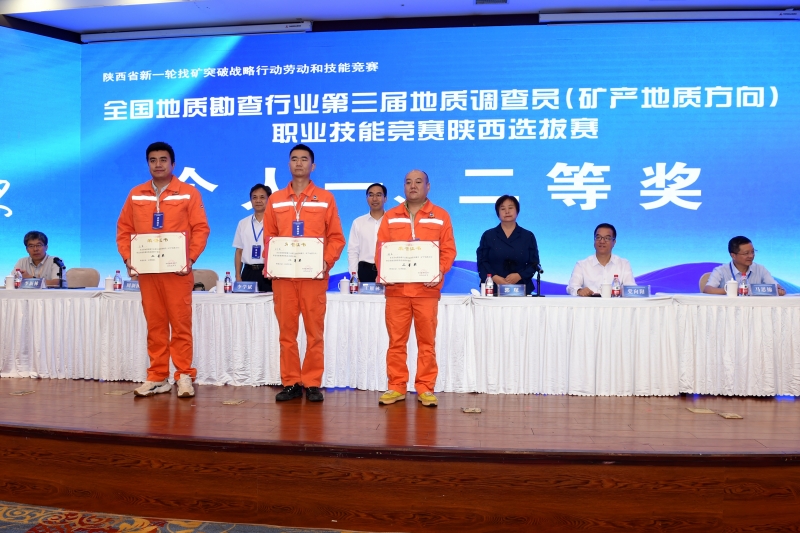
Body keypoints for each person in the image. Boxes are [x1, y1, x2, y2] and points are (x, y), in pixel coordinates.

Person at [116, 142, 210, 398]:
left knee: (180, 325)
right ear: (148, 164)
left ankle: (184, 375)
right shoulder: (136, 194)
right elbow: (124, 230)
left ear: (173, 164)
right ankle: (158, 377)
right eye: (153, 160)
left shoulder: (188, 193)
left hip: (177, 272)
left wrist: (189, 258)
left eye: (163, 160)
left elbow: (201, 229)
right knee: (155, 325)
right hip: (147, 272)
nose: (158, 164)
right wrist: (128, 258)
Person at [263, 144, 345, 403]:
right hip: (284, 277)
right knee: (286, 333)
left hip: (313, 277)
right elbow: (269, 237)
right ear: (288, 164)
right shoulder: (276, 199)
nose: (299, 163)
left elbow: (336, 238)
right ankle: (290, 382)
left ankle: (311, 382)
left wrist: (325, 263)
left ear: (313, 165)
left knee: (314, 332)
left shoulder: (325, 198)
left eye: (304, 159)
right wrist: (271, 263)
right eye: (294, 159)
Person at [376, 170, 456, 408]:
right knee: (396, 342)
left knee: (426, 342)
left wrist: (439, 270)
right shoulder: (390, 216)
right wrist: (386, 272)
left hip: (426, 291)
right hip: (397, 290)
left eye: (418, 182)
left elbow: (449, 250)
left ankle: (425, 387)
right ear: (403, 187)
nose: (413, 186)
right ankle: (396, 386)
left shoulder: (440, 216)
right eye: (408, 182)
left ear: (428, 187)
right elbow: (381, 250)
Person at [476, 195, 540, 295]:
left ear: (517, 211)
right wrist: (494, 277)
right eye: (503, 209)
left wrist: (519, 275)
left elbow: (534, 263)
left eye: (510, 208)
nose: (507, 212)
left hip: (521, 287)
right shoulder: (488, 235)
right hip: (492, 288)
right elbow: (482, 261)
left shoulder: (528, 236)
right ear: (497, 213)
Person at [567, 223, 635, 296]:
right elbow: (572, 286)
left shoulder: (624, 264)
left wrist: (622, 291)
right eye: (598, 237)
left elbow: (631, 288)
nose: (602, 241)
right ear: (594, 240)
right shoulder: (582, 265)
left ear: (614, 242)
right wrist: (579, 290)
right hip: (590, 303)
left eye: (607, 238)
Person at [703, 236, 786, 296]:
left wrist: (779, 290)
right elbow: (707, 289)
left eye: (752, 252)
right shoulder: (720, 270)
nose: (751, 256)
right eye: (746, 253)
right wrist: (734, 291)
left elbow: (776, 287)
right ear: (733, 255)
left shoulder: (760, 269)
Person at [233, 184, 273, 292]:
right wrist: (238, 275)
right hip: (248, 272)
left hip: (269, 273)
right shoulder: (243, 223)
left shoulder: (275, 222)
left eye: (262, 197)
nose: (258, 200)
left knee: (270, 302)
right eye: (254, 197)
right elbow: (239, 251)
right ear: (250, 200)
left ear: (269, 200)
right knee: (246, 302)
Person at [347, 183, 387, 283]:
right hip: (364, 270)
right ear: (366, 199)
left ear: (385, 198)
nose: (374, 199)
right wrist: (354, 276)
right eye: (371, 195)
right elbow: (353, 251)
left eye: (378, 195)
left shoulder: (391, 221)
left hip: (387, 269)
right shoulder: (358, 222)